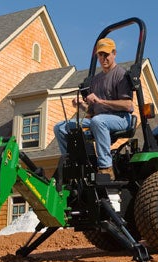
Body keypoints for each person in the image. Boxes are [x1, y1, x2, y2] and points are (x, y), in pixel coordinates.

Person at [54, 38, 133, 180]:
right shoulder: (96, 80)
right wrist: (80, 105)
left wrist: (101, 101)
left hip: (121, 118)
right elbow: (92, 112)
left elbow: (128, 105)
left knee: (98, 121)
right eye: (100, 55)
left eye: (106, 54)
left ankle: (106, 168)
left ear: (114, 53)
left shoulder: (120, 74)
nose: (103, 58)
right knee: (60, 127)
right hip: (99, 119)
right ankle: (73, 163)